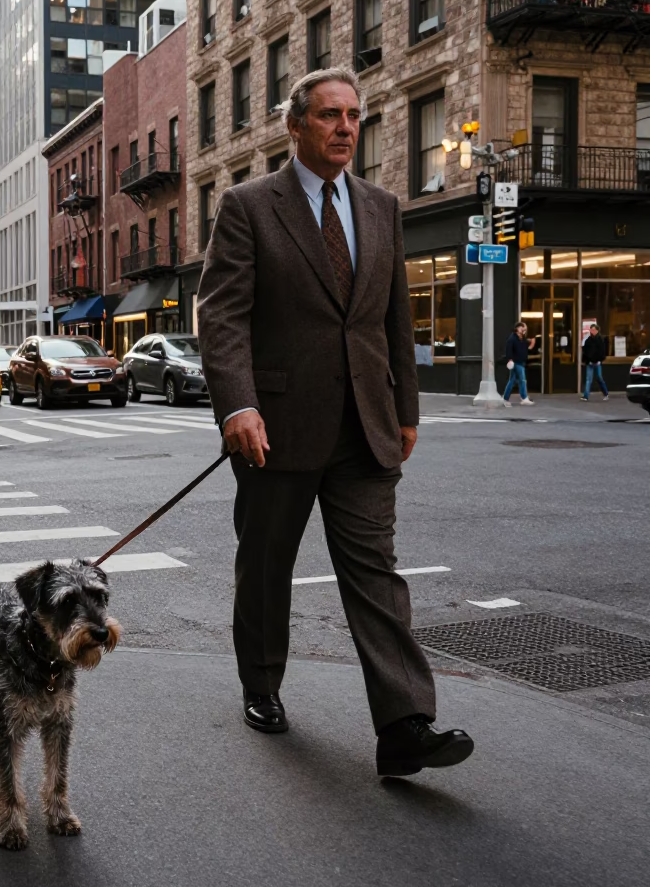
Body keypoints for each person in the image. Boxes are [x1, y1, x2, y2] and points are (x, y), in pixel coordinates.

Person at [197, 67, 473, 776]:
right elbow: (222, 315)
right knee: (266, 569)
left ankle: (405, 724)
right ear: (296, 126)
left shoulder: (381, 206)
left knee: (377, 576)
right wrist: (238, 402)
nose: (346, 127)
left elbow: (392, 317)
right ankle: (261, 684)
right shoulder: (250, 205)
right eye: (329, 115)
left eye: (353, 115)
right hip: (275, 430)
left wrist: (406, 408)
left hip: (366, 428)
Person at [503, 321, 535, 406]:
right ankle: (524, 398)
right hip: (516, 362)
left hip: (521, 361)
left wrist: (532, 340)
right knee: (522, 380)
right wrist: (510, 359)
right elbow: (508, 350)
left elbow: (530, 346)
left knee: (512, 380)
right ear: (517, 328)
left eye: (525, 329)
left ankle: (505, 398)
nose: (524, 330)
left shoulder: (522, 339)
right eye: (522, 328)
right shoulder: (512, 338)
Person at [581, 323, 609, 401]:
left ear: (597, 330)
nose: (592, 331)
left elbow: (602, 352)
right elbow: (585, 351)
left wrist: (599, 360)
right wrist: (585, 360)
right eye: (591, 329)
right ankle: (586, 396)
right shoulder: (588, 340)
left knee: (599, 378)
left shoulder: (600, 340)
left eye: (593, 330)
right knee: (588, 379)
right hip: (589, 363)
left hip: (597, 363)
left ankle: (606, 393)